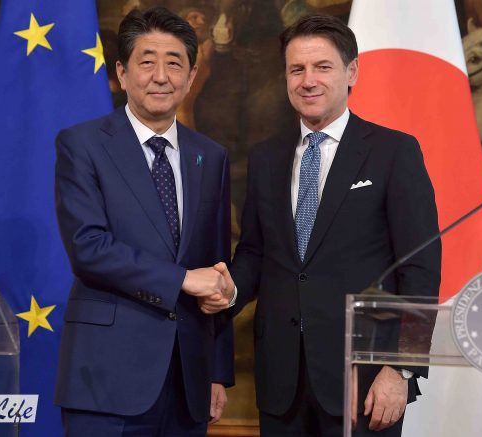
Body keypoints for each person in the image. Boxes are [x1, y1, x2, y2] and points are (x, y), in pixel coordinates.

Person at [223, 13, 441, 436]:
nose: (308, 81)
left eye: (322, 67)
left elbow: (421, 268)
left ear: (351, 71)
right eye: (297, 69)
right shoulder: (266, 158)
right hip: (281, 380)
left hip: (366, 381)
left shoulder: (394, 151)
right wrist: (226, 289)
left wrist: (402, 367)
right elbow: (254, 253)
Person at [53, 6, 234, 436]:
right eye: (147, 61)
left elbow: (217, 267)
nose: (161, 76)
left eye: (175, 63)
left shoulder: (210, 156)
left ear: (191, 76)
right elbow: (89, 248)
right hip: (106, 379)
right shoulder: (82, 145)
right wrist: (182, 280)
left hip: (188, 382)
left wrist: (216, 371)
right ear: (122, 71)